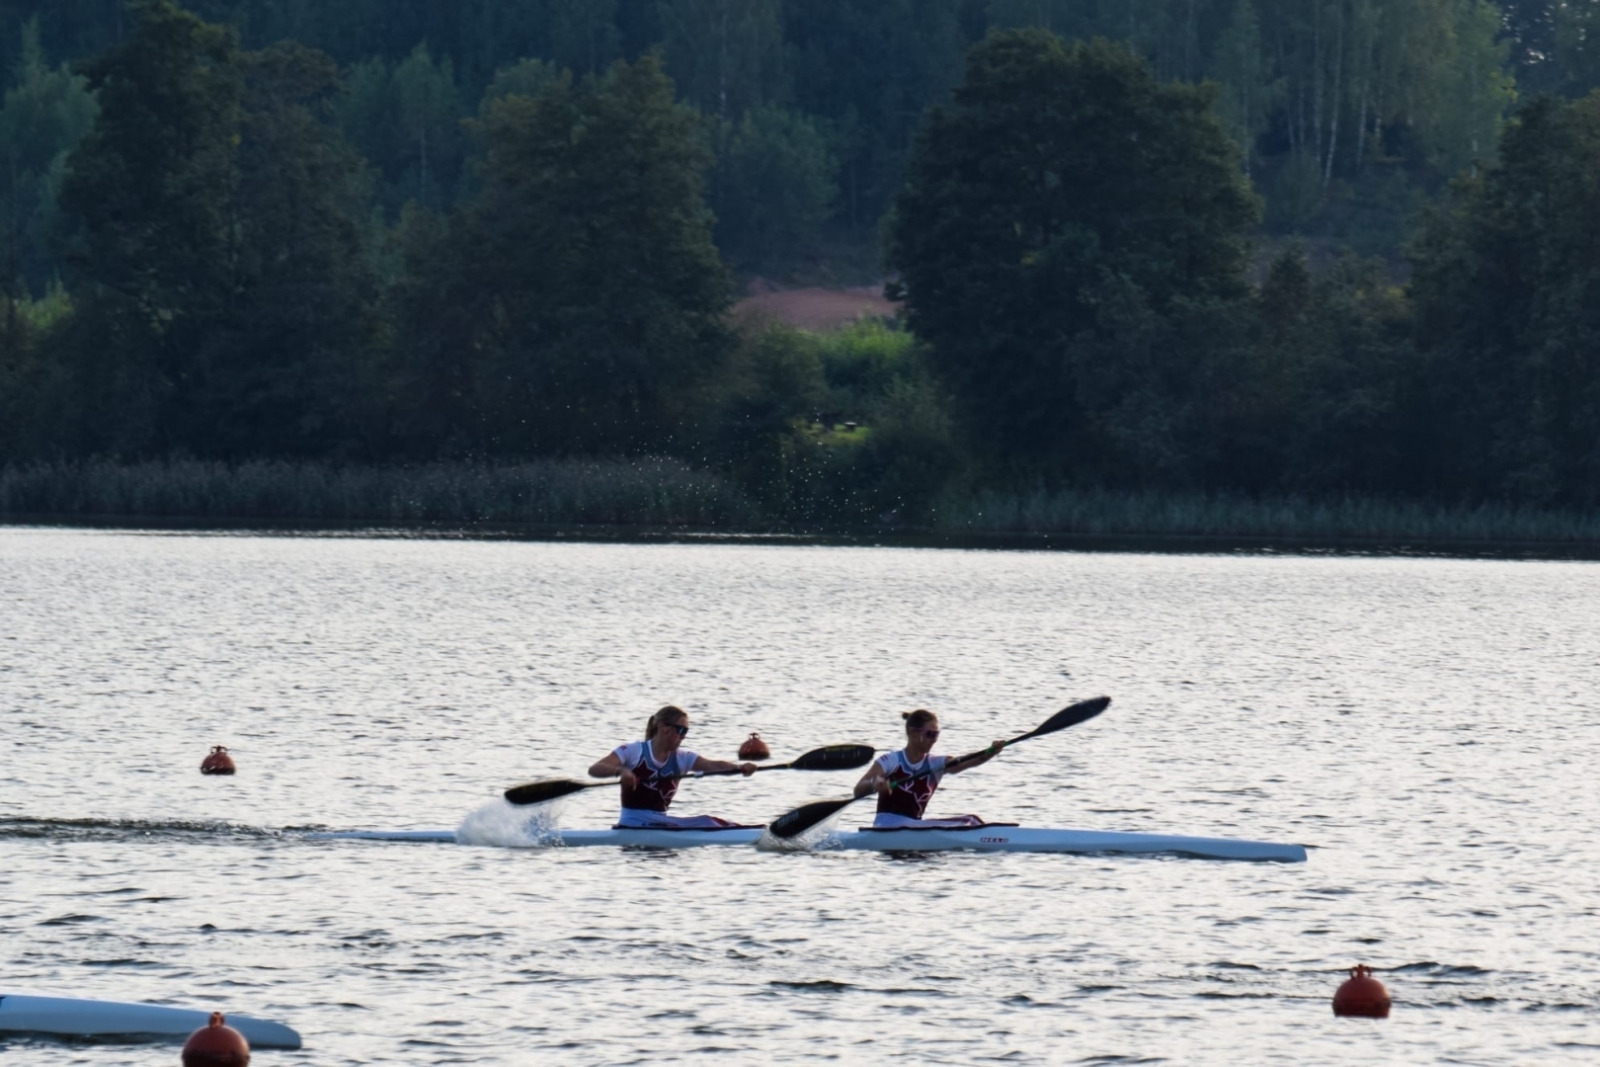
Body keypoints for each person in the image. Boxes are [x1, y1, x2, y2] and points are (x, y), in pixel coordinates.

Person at [588, 705, 757, 828]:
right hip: (632, 822)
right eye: (680, 730)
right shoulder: (633, 751)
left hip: (660, 822)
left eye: (686, 732)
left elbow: (711, 765)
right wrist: (621, 771)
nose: (682, 737)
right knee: (707, 822)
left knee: (711, 822)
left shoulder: (682, 757)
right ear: (662, 727)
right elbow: (595, 768)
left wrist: (739, 768)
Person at [852, 709, 1006, 828]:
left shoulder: (935, 763)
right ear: (912, 733)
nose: (933, 740)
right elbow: (858, 789)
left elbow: (964, 762)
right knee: (970, 821)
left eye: (936, 735)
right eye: (929, 734)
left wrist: (989, 753)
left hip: (911, 827)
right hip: (886, 826)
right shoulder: (891, 760)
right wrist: (875, 782)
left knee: (969, 821)